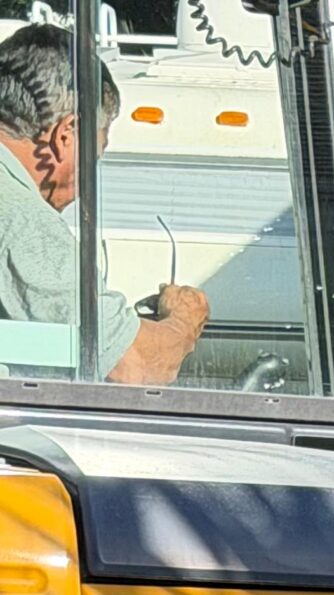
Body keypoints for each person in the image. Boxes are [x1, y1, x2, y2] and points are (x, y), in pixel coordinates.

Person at [0, 27, 209, 386]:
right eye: (93, 158)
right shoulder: (21, 219)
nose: (84, 189)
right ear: (66, 135)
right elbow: (134, 366)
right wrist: (182, 322)